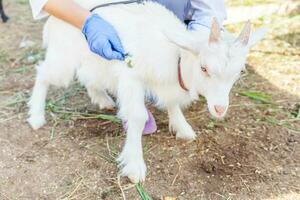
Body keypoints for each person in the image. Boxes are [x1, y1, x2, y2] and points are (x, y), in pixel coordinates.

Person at [29, 0, 226, 134]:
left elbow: (209, 8)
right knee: (60, 73)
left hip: (142, 13)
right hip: (81, 10)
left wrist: (202, 46)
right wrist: (86, 21)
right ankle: (39, 95)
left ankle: (146, 94)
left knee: (135, 62)